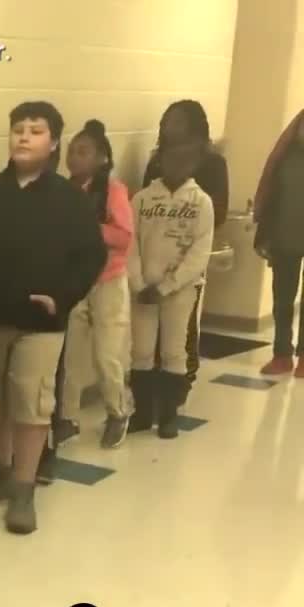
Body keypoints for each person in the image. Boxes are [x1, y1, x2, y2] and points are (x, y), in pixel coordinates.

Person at [0, 101, 106, 535]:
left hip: (41, 323)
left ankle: (23, 487)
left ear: (53, 142)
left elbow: (90, 256)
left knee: (31, 404)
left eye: (35, 130)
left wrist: (63, 297)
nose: (24, 136)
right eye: (18, 128)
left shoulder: (68, 200)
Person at [52, 120, 136, 449]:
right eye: (71, 151)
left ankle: (118, 411)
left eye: (83, 152)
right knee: (70, 357)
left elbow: (123, 236)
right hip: (75, 283)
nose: (74, 158)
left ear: (101, 158)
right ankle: (66, 418)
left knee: (106, 355)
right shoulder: (62, 189)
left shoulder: (113, 191)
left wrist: (86, 229)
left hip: (108, 282)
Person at [142, 100, 229, 402]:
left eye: (176, 120)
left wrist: (186, 214)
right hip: (153, 255)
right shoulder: (156, 162)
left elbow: (219, 211)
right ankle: (150, 388)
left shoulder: (212, 163)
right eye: (167, 120)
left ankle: (179, 387)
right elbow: (144, 206)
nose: (169, 125)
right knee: (149, 330)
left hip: (188, 254)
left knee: (182, 328)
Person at [129, 140, 215, 439]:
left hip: (179, 290)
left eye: (184, 159)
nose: (177, 164)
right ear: (159, 160)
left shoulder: (201, 202)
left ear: (193, 164)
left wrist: (167, 286)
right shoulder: (142, 199)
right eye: (170, 157)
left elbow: (200, 252)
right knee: (140, 350)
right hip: (143, 290)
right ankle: (141, 413)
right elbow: (131, 244)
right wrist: (139, 283)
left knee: (172, 351)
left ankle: (168, 416)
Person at [252, 109, 304, 376]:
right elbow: (270, 192)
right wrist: (265, 230)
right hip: (285, 237)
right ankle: (281, 354)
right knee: (282, 299)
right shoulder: (285, 157)